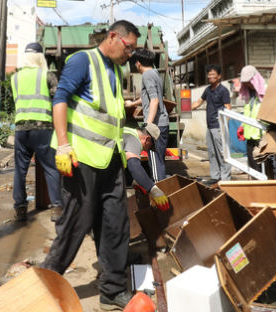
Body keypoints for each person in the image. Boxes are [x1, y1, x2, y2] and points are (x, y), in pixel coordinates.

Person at [41, 20, 140, 311]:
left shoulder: (115, 69)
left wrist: (128, 109)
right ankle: (43, 282)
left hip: (110, 159)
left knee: (115, 224)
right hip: (81, 157)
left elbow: (104, 113)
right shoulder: (84, 61)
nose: (130, 54)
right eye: (128, 46)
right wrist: (62, 144)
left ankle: (112, 290)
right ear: (113, 37)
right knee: (76, 223)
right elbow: (60, 100)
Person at [11, 42, 62, 222]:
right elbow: (58, 101)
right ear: (41, 57)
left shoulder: (15, 78)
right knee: (51, 169)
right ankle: (56, 208)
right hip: (43, 128)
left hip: (21, 129)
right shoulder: (47, 76)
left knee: (20, 170)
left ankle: (20, 209)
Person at [124, 48, 169, 183]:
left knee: (155, 165)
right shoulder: (154, 73)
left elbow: (154, 100)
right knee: (158, 162)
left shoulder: (146, 76)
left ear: (138, 63)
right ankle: (162, 190)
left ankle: (159, 193)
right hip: (162, 123)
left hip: (155, 125)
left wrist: (148, 126)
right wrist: (132, 104)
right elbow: (149, 97)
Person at [191, 64, 232, 184]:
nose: (210, 76)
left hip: (219, 127)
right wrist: (184, 108)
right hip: (210, 127)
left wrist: (224, 126)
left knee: (222, 152)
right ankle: (216, 176)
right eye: (209, 74)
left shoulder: (223, 90)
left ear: (219, 76)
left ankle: (226, 179)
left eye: (213, 74)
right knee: (212, 152)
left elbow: (228, 108)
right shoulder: (208, 90)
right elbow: (198, 102)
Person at [123, 123, 169, 211]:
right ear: (147, 139)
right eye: (150, 146)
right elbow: (134, 166)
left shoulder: (127, 131)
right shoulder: (133, 139)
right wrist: (153, 189)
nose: (147, 149)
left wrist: (134, 180)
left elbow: (123, 162)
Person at [237, 65, 266, 173]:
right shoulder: (248, 94)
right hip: (250, 136)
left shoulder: (265, 91)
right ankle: (256, 188)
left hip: (262, 137)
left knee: (264, 167)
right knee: (253, 166)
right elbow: (248, 113)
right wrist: (242, 126)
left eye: (250, 81)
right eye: (246, 83)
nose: (248, 84)